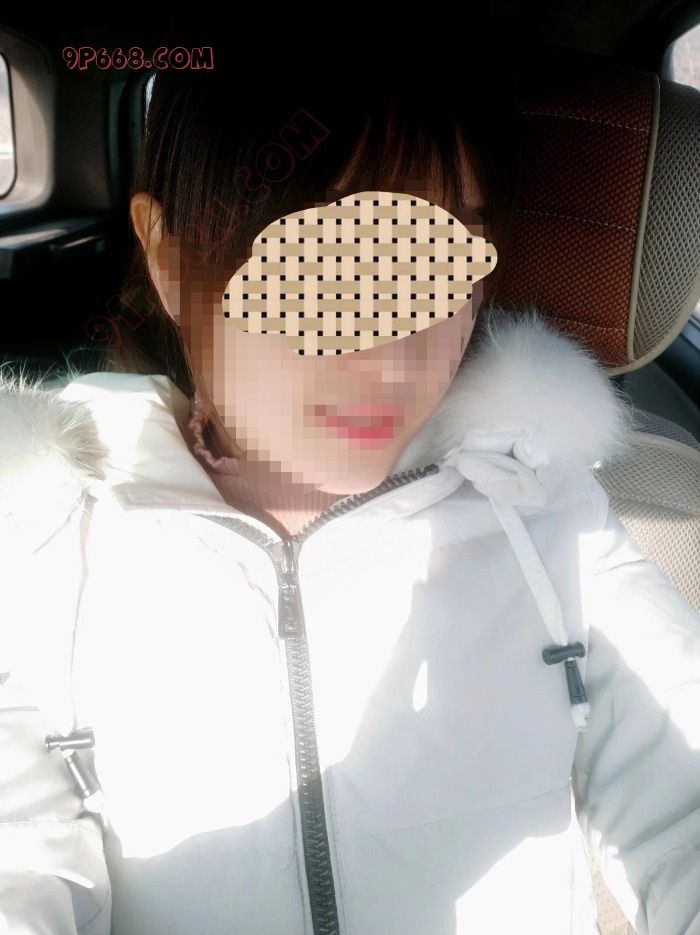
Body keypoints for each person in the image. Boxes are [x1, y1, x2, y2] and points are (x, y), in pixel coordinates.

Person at [1, 47, 699, 935]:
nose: (397, 350)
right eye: (327, 260)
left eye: (441, 262)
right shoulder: (46, 545)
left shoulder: (548, 514)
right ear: (171, 258)